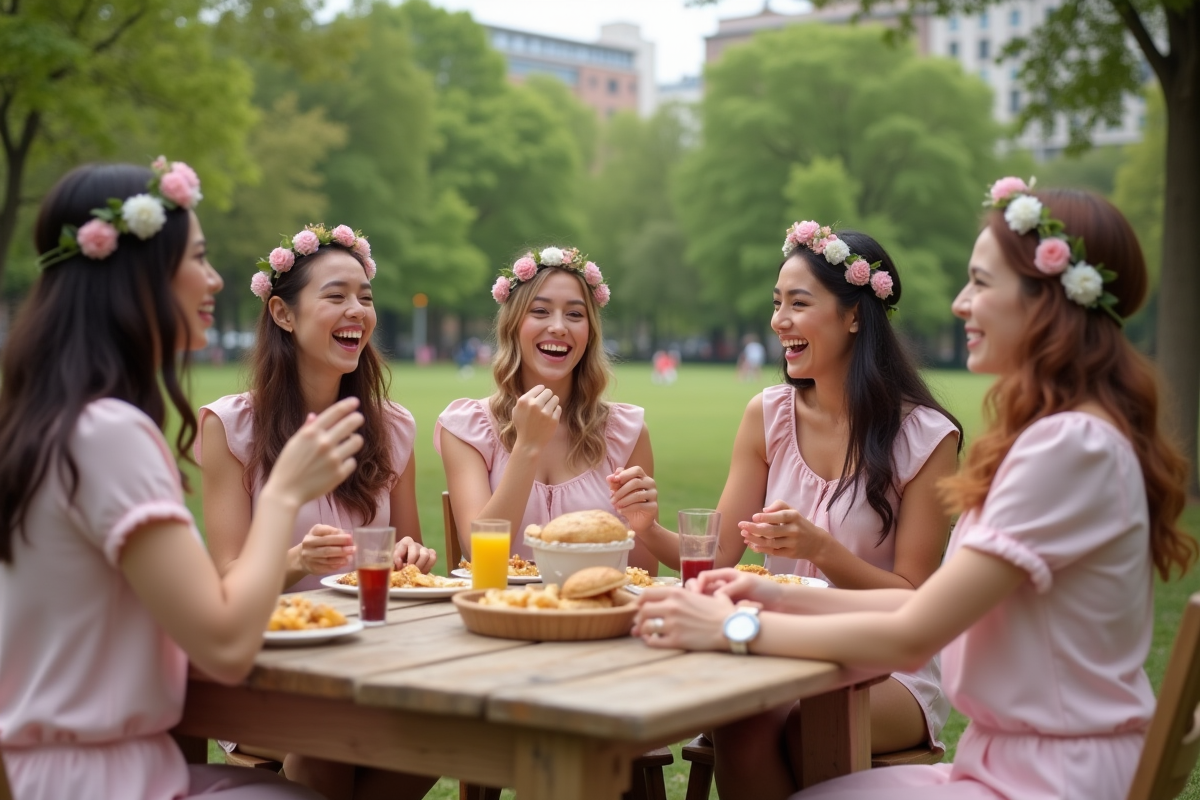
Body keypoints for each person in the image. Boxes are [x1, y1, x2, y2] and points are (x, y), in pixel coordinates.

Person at [633, 179, 1196, 800]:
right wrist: (764, 590)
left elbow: (915, 632)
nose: (959, 303)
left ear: (1046, 301)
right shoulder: (1066, 436)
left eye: (980, 283)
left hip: (1045, 783)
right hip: (1004, 768)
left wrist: (733, 629)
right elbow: (922, 611)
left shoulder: (1068, 448)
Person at [0, 159, 359, 799]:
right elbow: (223, 642)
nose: (215, 279)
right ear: (138, 277)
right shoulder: (108, 434)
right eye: (198, 257)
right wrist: (282, 496)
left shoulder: (47, 423)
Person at [615, 224, 961, 799]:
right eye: (777, 303)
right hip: (775, 643)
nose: (780, 320)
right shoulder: (768, 415)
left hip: (888, 664)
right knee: (740, 720)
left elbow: (915, 596)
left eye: (799, 304)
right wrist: (646, 527)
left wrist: (820, 549)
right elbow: (718, 554)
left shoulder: (925, 438)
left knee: (809, 722)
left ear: (854, 316)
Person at [199, 224, 437, 800]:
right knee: (331, 744)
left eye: (365, 298)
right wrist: (294, 558)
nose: (356, 310)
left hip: (368, 663)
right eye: (335, 296)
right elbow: (225, 580)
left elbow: (413, 565)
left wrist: (412, 558)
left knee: (433, 744)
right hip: (268, 665)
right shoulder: (232, 428)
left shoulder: (394, 428)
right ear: (283, 313)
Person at [437, 247, 658, 572]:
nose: (558, 327)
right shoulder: (467, 428)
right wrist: (526, 447)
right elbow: (480, 554)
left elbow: (642, 574)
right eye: (540, 311)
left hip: (595, 615)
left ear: (590, 333)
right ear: (513, 325)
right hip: (504, 615)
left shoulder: (627, 431)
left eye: (574, 314)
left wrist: (645, 524)